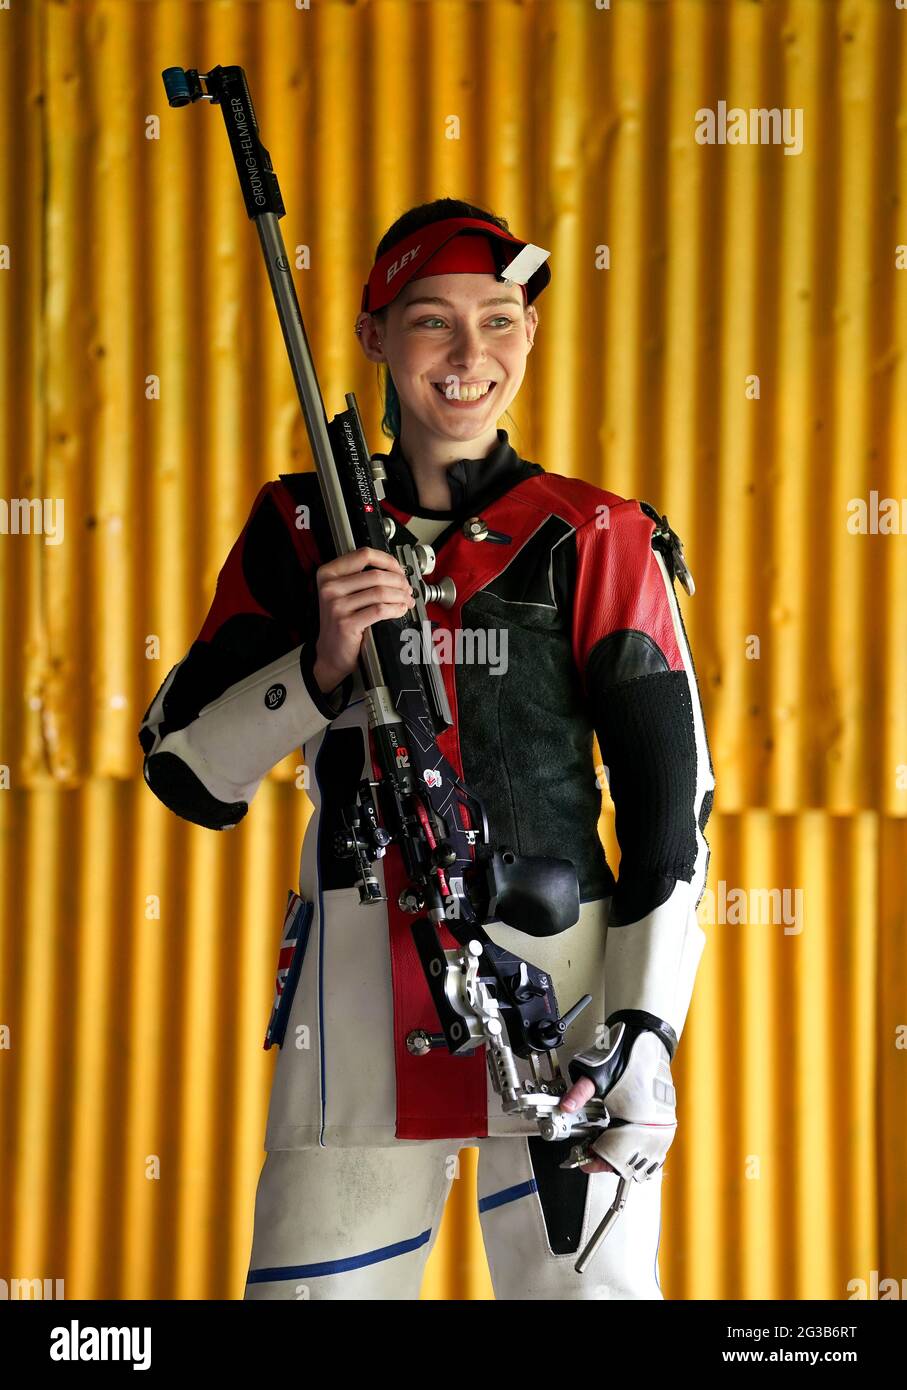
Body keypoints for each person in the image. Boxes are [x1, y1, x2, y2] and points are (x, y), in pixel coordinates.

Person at [138, 197, 715, 1300]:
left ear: (529, 331)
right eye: (431, 321)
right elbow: (186, 775)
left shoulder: (598, 533)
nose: (468, 355)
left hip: (567, 1011)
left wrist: (647, 1028)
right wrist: (318, 665)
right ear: (373, 336)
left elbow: (670, 804)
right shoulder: (302, 528)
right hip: (353, 1012)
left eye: (497, 320)